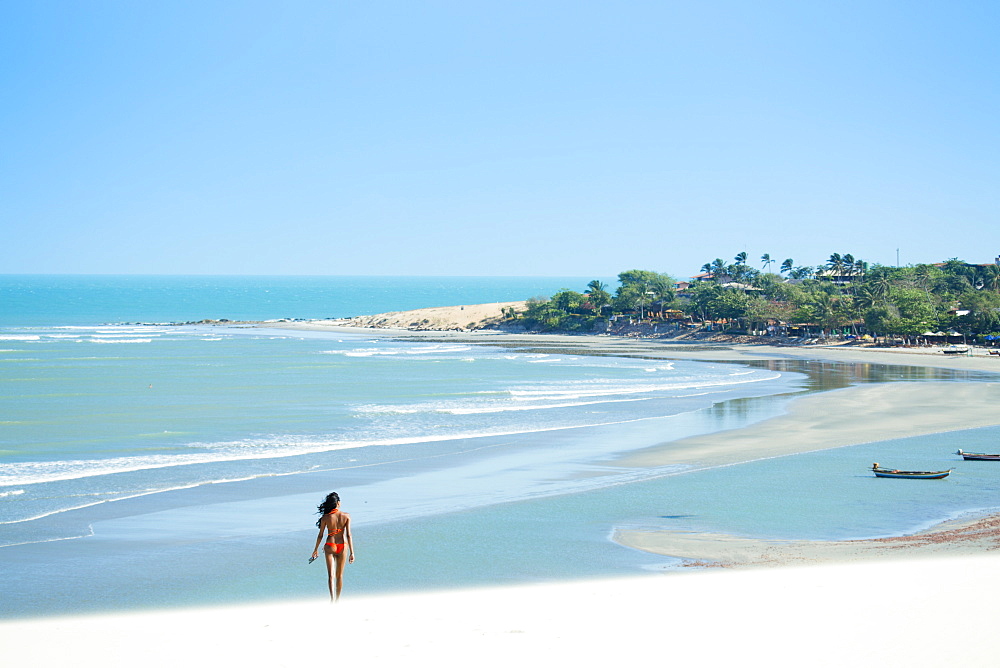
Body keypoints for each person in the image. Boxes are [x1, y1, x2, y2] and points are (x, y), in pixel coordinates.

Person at [311, 491, 354, 602]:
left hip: (330, 545)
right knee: (339, 576)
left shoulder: (326, 517)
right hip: (343, 545)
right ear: (338, 503)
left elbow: (320, 535)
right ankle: (337, 600)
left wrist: (315, 549)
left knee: (331, 575)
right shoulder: (346, 516)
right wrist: (352, 552)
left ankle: (332, 599)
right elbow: (349, 535)